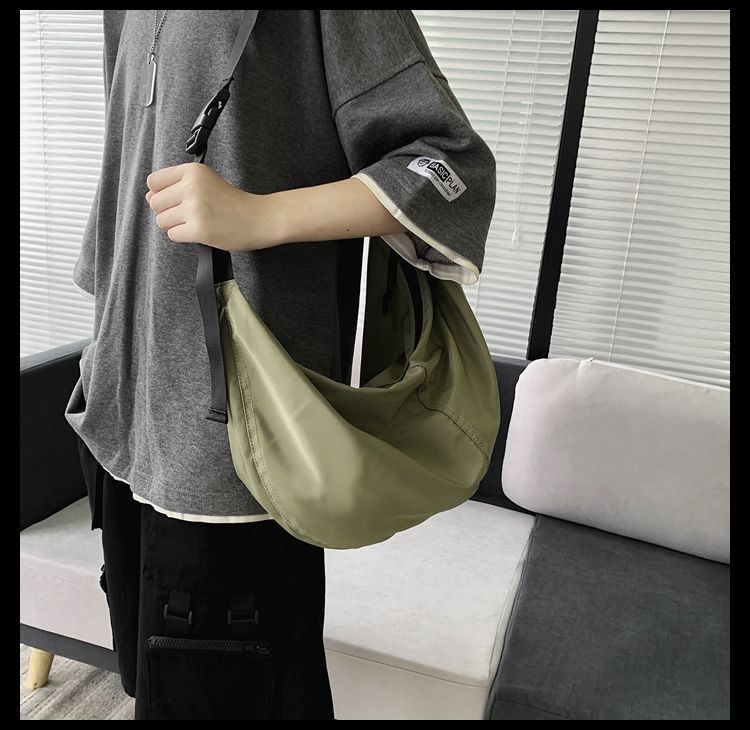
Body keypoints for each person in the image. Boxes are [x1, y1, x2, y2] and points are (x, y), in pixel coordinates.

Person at [65, 9, 496, 721]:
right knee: (154, 684)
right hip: (122, 411)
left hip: (232, 436)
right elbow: (126, 159)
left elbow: (452, 168)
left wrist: (259, 216)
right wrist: (101, 346)